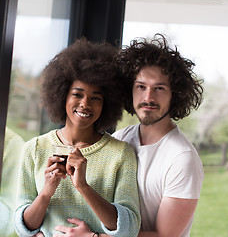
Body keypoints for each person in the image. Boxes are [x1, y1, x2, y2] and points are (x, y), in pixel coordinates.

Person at [60, 34, 204, 237]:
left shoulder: (182, 158)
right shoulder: (120, 139)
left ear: (176, 94)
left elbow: (163, 235)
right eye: (141, 87)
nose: (148, 97)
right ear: (130, 90)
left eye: (159, 88)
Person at [14, 38, 141, 237]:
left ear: (106, 103)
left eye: (95, 98)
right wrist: (47, 191)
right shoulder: (34, 149)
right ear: (62, 94)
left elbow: (129, 230)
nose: (85, 104)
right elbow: (24, 227)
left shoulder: (121, 154)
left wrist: (83, 186)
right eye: (77, 94)